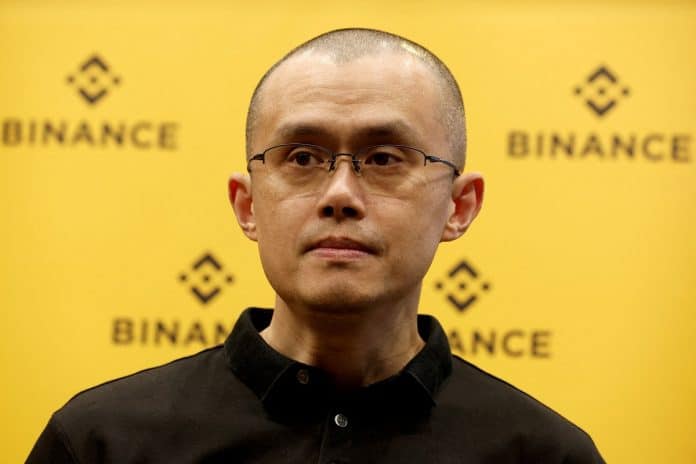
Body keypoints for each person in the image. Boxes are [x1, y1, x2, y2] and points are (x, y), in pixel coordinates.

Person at [27, 28, 605, 463]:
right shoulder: (100, 443)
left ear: (459, 206)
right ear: (247, 205)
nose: (340, 195)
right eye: (302, 157)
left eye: (385, 158)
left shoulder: (544, 455)